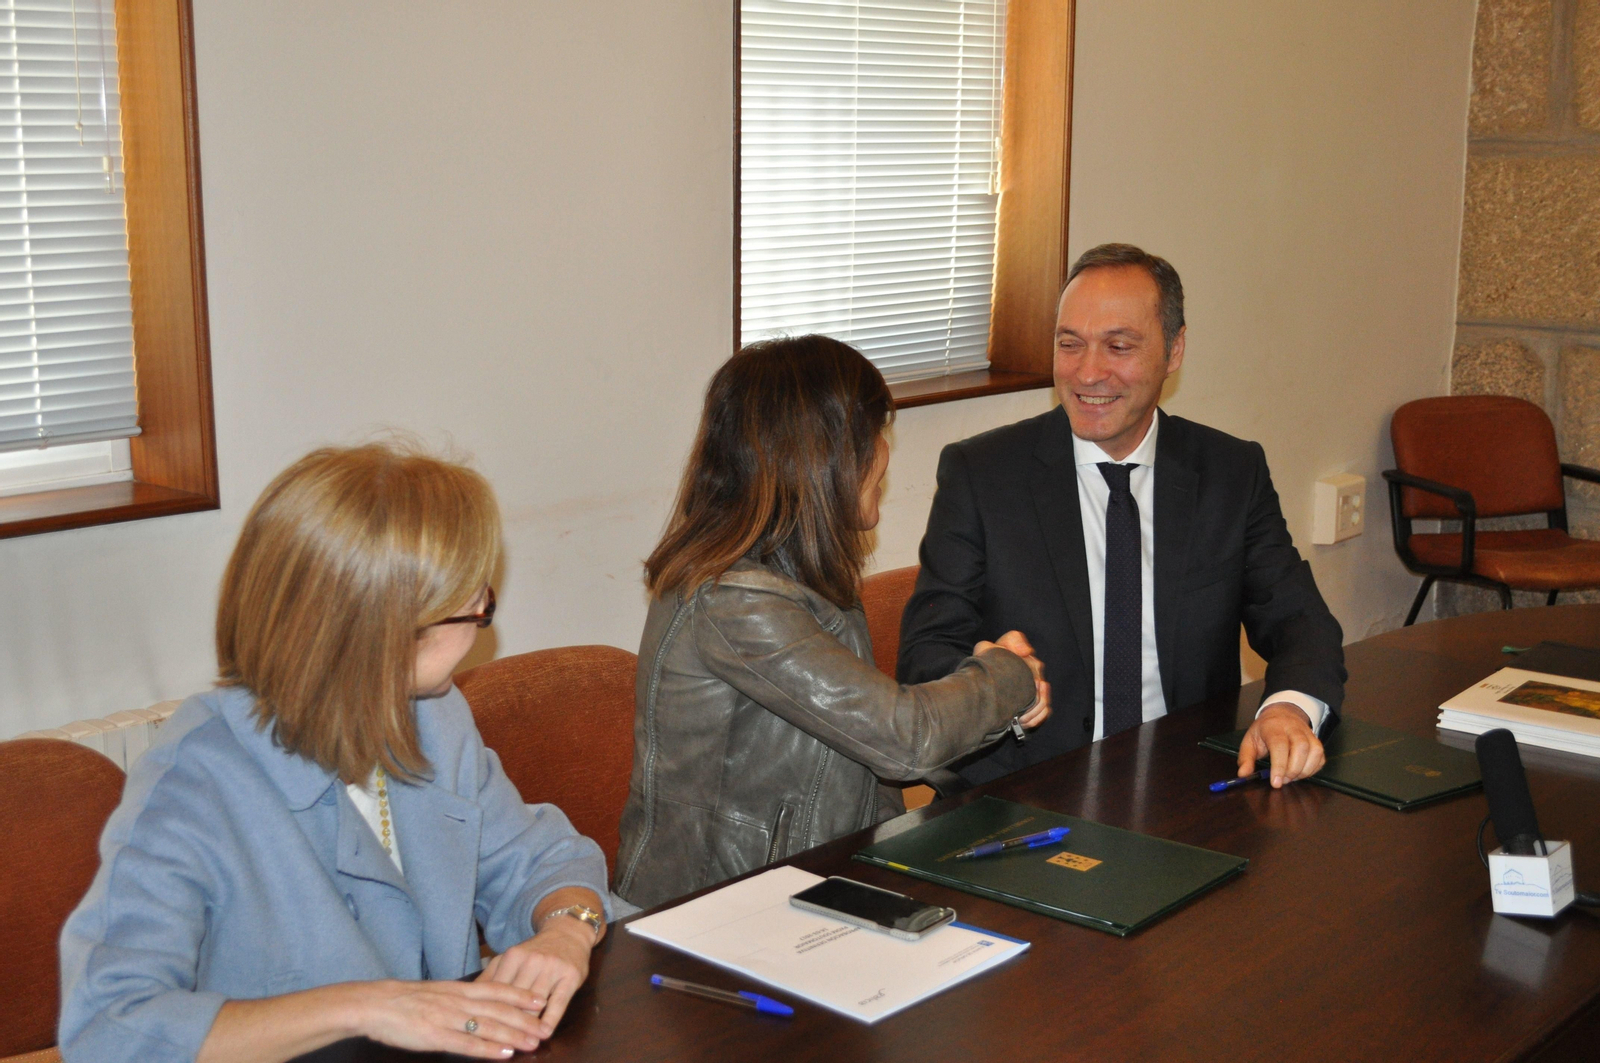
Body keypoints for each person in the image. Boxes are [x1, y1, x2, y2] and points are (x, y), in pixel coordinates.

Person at [58, 444, 611, 1063]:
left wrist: (567, 929)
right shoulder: (196, 783)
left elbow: (540, 858)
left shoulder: (434, 717)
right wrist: (368, 1004)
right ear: (385, 633)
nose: (484, 608)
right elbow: (108, 1028)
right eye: (474, 598)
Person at [614, 336, 1050, 910]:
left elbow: (872, 755)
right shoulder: (732, 602)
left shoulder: (802, 573)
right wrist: (1008, 675)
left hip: (811, 880)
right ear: (825, 456)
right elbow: (902, 739)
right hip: (706, 911)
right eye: (877, 436)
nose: (885, 456)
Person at [899, 243, 1345, 788]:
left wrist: (1288, 710)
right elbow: (926, 652)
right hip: (1030, 789)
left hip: (1187, 781)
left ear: (1174, 350)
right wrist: (987, 682)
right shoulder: (982, 474)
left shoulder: (1230, 472)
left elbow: (1300, 622)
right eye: (1070, 345)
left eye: (1118, 346)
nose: (1088, 373)